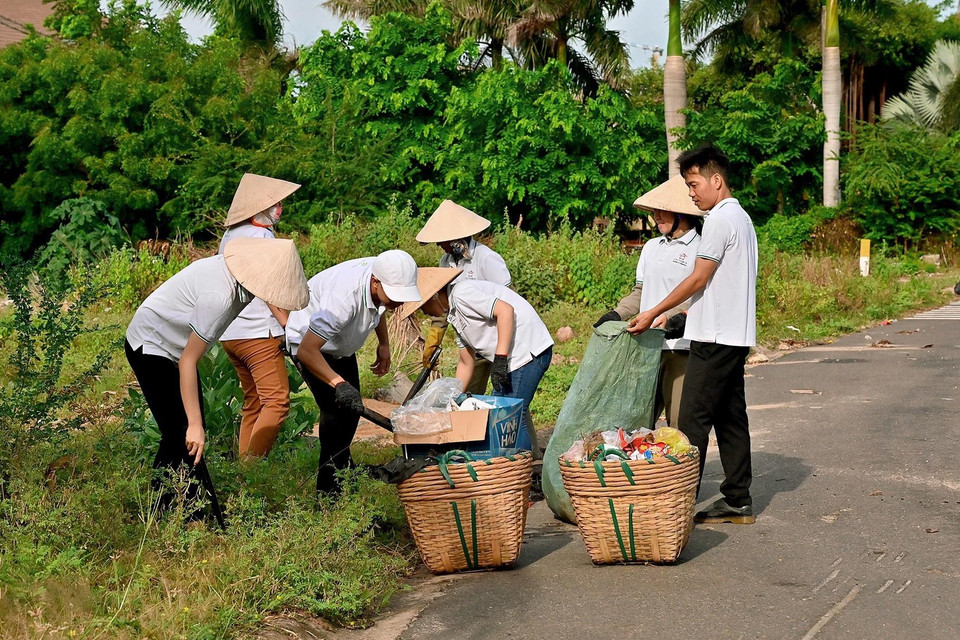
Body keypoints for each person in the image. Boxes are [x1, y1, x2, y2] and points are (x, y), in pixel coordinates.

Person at [125, 237, 309, 510]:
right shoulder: (220, 296)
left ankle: (191, 509)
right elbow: (189, 361)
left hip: (175, 348)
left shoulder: (240, 283)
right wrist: (195, 425)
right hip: (150, 345)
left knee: (188, 433)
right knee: (180, 432)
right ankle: (161, 511)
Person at [626, 144, 758, 525]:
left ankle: (675, 508)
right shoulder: (743, 219)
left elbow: (699, 277)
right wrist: (680, 316)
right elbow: (721, 283)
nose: (691, 193)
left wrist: (654, 311)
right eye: (688, 185)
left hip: (715, 337)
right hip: (734, 335)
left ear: (717, 181)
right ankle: (738, 498)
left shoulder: (718, 220)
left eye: (694, 183)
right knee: (731, 418)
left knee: (689, 423)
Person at [285, 250, 424, 494]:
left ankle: (344, 477)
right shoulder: (342, 300)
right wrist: (339, 383)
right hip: (310, 345)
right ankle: (330, 492)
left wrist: (384, 344)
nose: (399, 302)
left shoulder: (383, 273)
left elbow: (378, 306)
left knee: (351, 413)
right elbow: (308, 350)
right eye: (395, 296)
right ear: (375, 282)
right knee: (335, 414)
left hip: (340, 347)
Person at [595, 175, 704, 429]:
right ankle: (645, 469)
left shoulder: (701, 247)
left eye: (663, 211)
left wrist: (677, 318)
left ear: (682, 213)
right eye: (655, 211)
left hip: (681, 347)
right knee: (637, 421)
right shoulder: (651, 247)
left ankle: (681, 470)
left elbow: (700, 295)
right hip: (646, 345)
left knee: (678, 423)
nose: (657, 216)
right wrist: (617, 314)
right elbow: (640, 291)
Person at [403, 274, 553, 456]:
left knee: (510, 416)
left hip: (527, 349)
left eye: (423, 306)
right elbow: (466, 362)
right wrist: (451, 401)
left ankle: (522, 472)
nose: (424, 312)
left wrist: (500, 359)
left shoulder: (461, 294)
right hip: (514, 357)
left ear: (434, 296)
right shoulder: (454, 314)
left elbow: (505, 311)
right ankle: (510, 470)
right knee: (494, 416)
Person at [218, 173, 301, 459]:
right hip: (257, 333)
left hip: (230, 333)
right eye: (275, 203)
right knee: (276, 403)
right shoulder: (261, 236)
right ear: (259, 208)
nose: (279, 208)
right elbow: (268, 286)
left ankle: (242, 468)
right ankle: (252, 473)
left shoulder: (230, 236)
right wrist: (286, 323)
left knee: (253, 402)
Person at [415, 200, 511, 394]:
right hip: (470, 342)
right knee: (471, 399)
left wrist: (502, 354)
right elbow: (445, 306)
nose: (438, 245)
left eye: (441, 240)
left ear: (455, 239)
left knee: (507, 399)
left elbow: (508, 301)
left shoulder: (486, 258)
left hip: (495, 340)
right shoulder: (446, 261)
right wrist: (435, 337)